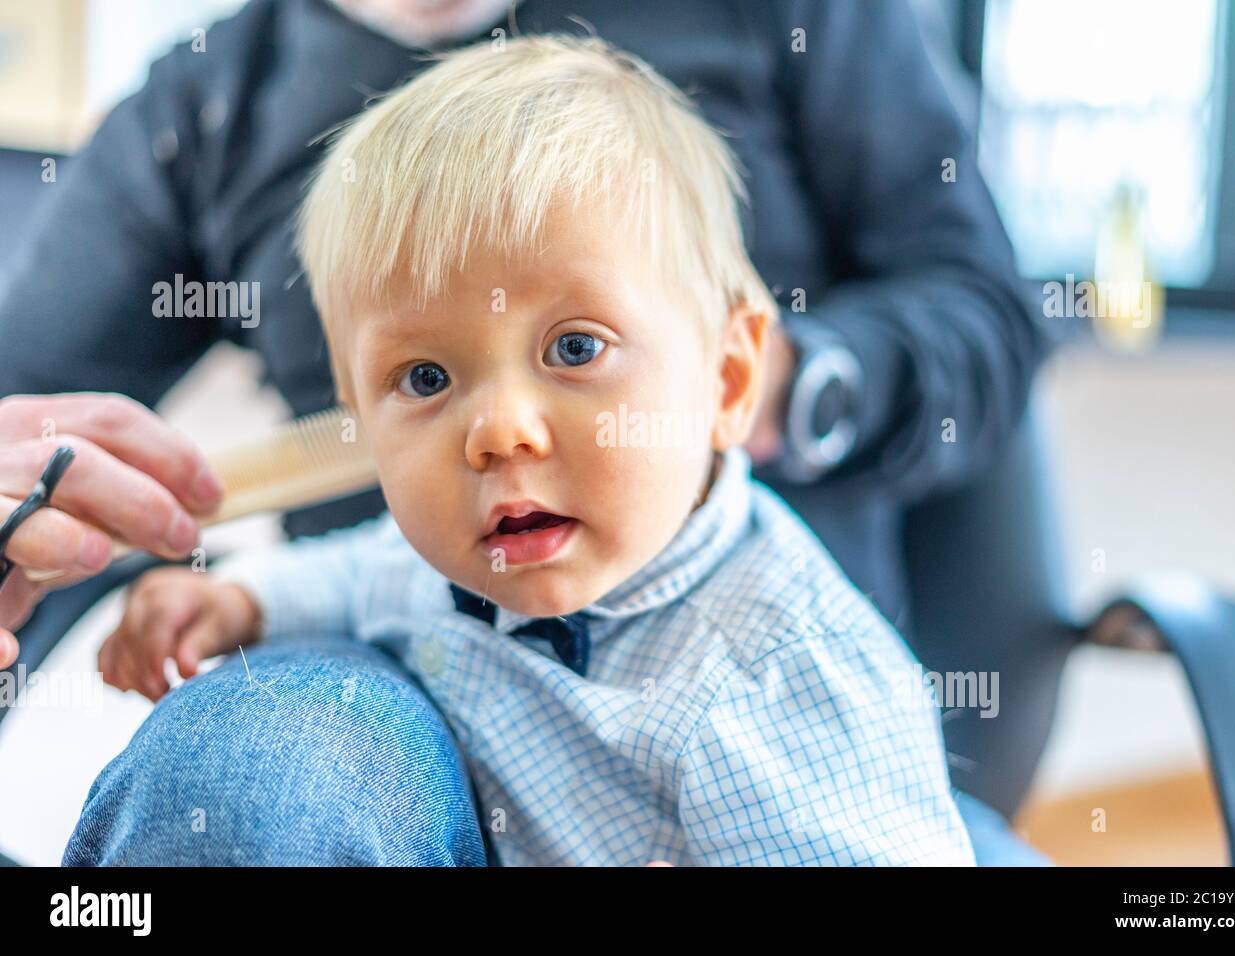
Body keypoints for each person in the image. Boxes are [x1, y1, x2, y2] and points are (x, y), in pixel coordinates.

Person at [67, 35, 976, 865]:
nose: (499, 432)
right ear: (358, 418)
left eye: (575, 349)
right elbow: (364, 575)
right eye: (424, 380)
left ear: (730, 383)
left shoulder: (776, 686)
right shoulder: (464, 563)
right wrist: (239, 600)